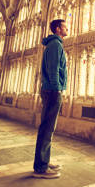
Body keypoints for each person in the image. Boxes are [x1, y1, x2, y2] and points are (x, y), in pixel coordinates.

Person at [33, 19, 68, 178]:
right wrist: (57, 89)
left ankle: (44, 161)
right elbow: (53, 70)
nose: (67, 28)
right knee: (47, 129)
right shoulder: (55, 45)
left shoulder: (54, 44)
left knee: (48, 128)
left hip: (50, 90)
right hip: (52, 91)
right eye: (65, 26)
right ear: (58, 29)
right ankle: (41, 167)